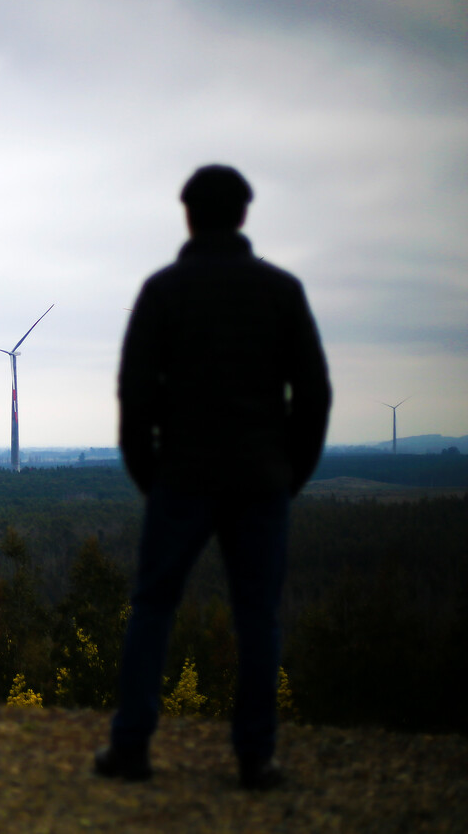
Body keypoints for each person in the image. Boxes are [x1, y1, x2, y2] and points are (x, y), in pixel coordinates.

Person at [96, 164, 331, 789]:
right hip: (260, 479)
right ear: (244, 215)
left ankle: (132, 748)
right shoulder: (282, 291)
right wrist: (288, 475)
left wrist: (151, 474)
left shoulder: (163, 291)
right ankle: (256, 756)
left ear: (190, 215)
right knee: (258, 617)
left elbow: (134, 395)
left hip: (182, 475)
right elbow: (314, 395)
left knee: (152, 608)